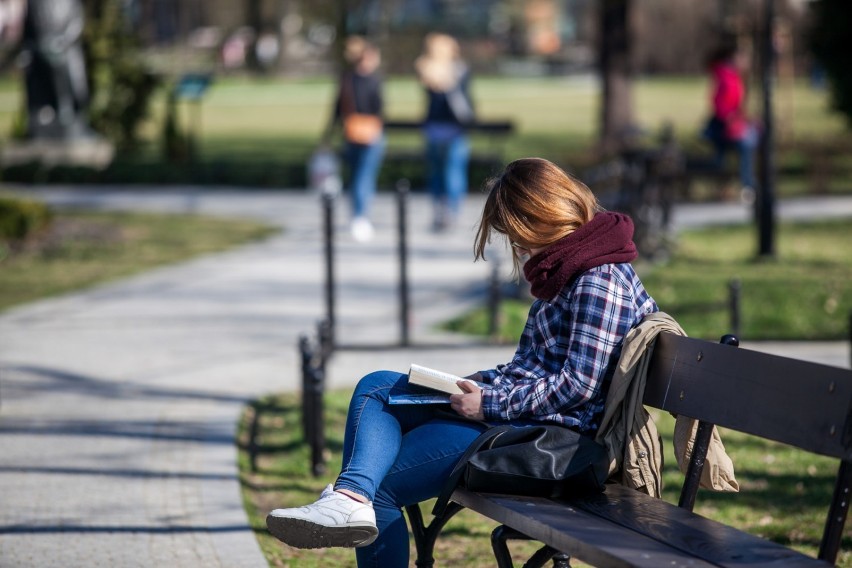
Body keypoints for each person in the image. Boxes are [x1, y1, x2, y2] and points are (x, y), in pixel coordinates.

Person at [265, 157, 659, 567]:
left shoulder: (599, 279)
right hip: (518, 421)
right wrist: (471, 383)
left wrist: (488, 404)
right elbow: (533, 367)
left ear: (544, 218)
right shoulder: (573, 268)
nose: (518, 247)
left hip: (552, 440)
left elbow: (579, 385)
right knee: (377, 385)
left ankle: (350, 498)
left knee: (380, 489)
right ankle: (350, 496)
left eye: (518, 235)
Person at [414, 33, 475, 232]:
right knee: (450, 170)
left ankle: (443, 211)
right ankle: (450, 211)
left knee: (441, 171)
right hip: (451, 128)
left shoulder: (430, 69)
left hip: (438, 128)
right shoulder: (452, 69)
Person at [327, 36, 385, 242]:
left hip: (352, 132)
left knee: (358, 177)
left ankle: (358, 215)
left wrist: (329, 134)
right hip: (366, 133)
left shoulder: (348, 78)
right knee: (362, 177)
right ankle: (360, 216)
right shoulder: (371, 79)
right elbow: (378, 108)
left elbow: (337, 109)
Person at [703, 43, 758, 199]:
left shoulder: (733, 76)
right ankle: (748, 186)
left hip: (731, 124)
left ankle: (749, 184)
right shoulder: (726, 77)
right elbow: (719, 103)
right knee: (747, 144)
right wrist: (730, 118)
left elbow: (736, 104)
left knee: (750, 140)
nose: (747, 62)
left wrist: (746, 118)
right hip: (723, 126)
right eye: (744, 58)